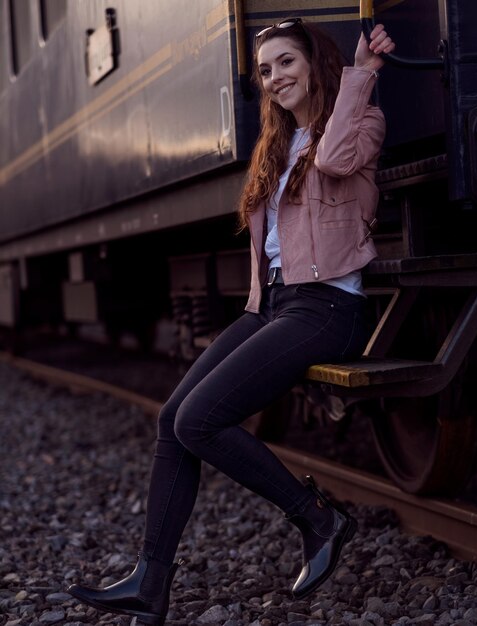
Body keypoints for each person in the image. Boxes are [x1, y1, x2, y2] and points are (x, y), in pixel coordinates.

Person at [67, 17, 395, 626]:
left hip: (329, 306)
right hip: (274, 305)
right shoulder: (276, 146)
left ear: (314, 64)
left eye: (287, 63)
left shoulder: (357, 122)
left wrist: (363, 77)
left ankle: (318, 518)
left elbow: (338, 158)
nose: (275, 78)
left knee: (201, 420)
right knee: (173, 419)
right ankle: (150, 580)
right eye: (265, 71)